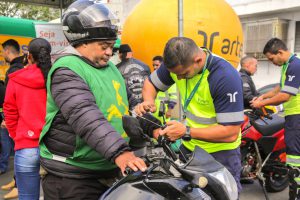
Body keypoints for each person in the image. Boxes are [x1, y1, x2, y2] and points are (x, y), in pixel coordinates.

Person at [38, 1, 149, 199]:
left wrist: (153, 125)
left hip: (106, 170)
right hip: (73, 177)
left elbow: (130, 103)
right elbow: (85, 116)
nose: (109, 52)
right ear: (82, 42)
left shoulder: (110, 68)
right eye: (104, 46)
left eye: (111, 47)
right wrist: (120, 153)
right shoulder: (67, 69)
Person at [135, 37, 244, 192]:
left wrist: (185, 131)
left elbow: (231, 132)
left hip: (220, 154)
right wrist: (148, 101)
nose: (178, 78)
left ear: (198, 60)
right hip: (190, 149)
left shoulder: (225, 77)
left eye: (184, 74)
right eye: (175, 74)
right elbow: (150, 83)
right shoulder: (177, 65)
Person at [251, 38, 300, 200]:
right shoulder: (288, 65)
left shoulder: (295, 65)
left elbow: (285, 96)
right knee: (293, 154)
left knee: (295, 156)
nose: (272, 63)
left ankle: (296, 191)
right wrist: (262, 95)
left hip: (297, 117)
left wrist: (262, 103)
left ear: (280, 52)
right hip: (293, 116)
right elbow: (280, 88)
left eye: (272, 59)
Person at [3, 38, 51, 200]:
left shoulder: (16, 78)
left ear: (28, 56)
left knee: (27, 197)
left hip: (26, 146)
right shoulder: (58, 77)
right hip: (54, 148)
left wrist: (16, 136)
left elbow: (10, 112)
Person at [0, 39, 25, 200]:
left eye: (3, 52)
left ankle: (18, 185)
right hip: (20, 117)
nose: (2, 55)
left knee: (20, 152)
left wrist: (8, 119)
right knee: (17, 151)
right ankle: (16, 180)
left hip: (16, 118)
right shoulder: (20, 67)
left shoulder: (14, 70)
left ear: (8, 51)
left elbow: (13, 98)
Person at [152, 56, 177, 122]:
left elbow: (174, 96)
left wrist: (169, 110)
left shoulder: (169, 78)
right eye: (153, 65)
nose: (154, 67)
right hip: (154, 111)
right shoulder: (153, 77)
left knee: (164, 129)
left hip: (163, 111)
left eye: (157, 65)